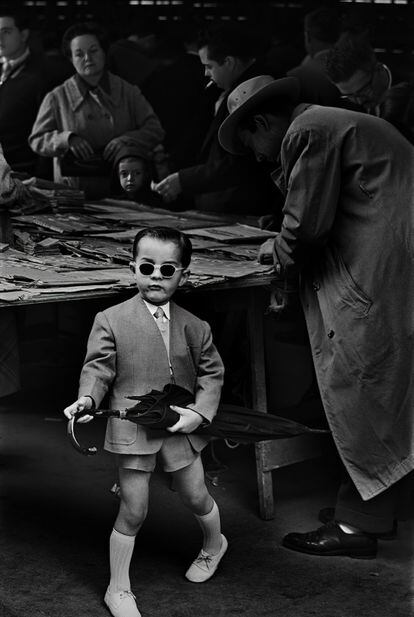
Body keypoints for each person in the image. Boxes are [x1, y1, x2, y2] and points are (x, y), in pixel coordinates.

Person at [218, 74, 414, 558]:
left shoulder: (308, 132)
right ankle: (375, 509)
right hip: (396, 265)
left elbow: (305, 227)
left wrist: (275, 251)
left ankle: (355, 528)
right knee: (390, 391)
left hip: (380, 274)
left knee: (363, 386)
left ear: (264, 122)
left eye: (256, 147)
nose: (263, 159)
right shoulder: (342, 122)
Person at [63, 227, 227, 617]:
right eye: (147, 266)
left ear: (183, 275)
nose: (156, 275)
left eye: (167, 268)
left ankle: (214, 544)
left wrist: (199, 413)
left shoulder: (195, 326)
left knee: (196, 496)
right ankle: (118, 588)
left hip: (179, 427)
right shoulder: (110, 319)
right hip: (133, 427)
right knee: (133, 510)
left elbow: (212, 375)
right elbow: (98, 370)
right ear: (132, 267)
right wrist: (87, 399)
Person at [153, 22, 281, 217]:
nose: (206, 73)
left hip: (244, 207)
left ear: (229, 62)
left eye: (209, 66)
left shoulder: (258, 91)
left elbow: (241, 164)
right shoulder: (232, 86)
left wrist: (184, 180)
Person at [29, 21, 164, 198]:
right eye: (79, 54)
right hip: (74, 193)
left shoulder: (128, 91)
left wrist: (127, 140)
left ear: (104, 52)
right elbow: (37, 139)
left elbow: (155, 130)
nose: (87, 58)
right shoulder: (57, 97)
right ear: (71, 59)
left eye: (93, 51)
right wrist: (66, 139)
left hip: (122, 192)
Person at [0, 5, 64, 175]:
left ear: (23, 34)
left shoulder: (43, 75)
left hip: (22, 172)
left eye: (6, 31)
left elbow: (48, 132)